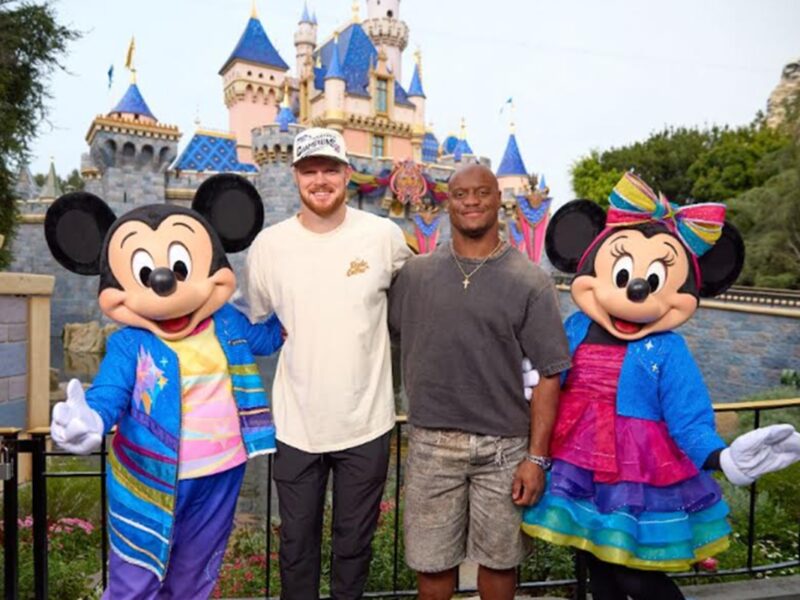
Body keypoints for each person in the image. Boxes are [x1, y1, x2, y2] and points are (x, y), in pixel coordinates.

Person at [239, 128, 413, 599]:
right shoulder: (269, 247)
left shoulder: (383, 237)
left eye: (330, 169)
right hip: (296, 426)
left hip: (367, 423)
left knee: (354, 547)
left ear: (347, 174)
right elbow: (257, 327)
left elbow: (419, 303)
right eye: (310, 170)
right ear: (295, 175)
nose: (321, 180)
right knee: (296, 547)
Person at [389, 163, 571, 600]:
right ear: (447, 202)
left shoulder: (529, 281)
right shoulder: (414, 277)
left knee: (499, 563)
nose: (471, 201)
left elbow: (550, 374)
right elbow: (387, 343)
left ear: (498, 200)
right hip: (432, 445)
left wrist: (537, 458)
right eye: (461, 194)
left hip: (504, 449)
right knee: (431, 565)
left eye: (482, 193)